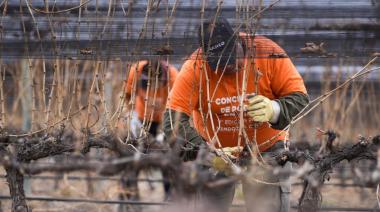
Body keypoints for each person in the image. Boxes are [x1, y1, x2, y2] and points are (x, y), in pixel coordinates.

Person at [163, 16, 309, 212]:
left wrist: (274, 110)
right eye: (219, 64)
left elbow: (300, 98)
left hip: (266, 149)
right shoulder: (194, 67)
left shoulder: (268, 53)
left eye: (231, 58)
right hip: (216, 152)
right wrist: (205, 153)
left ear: (239, 41)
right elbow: (172, 123)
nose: (227, 67)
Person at [124, 59, 178, 200]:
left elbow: (178, 107)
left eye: (156, 85)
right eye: (149, 85)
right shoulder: (135, 70)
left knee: (165, 157)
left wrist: (166, 130)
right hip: (142, 118)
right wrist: (132, 116)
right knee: (134, 156)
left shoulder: (173, 76)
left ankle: (169, 195)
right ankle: (130, 193)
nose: (152, 90)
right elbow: (127, 96)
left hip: (165, 119)